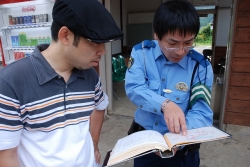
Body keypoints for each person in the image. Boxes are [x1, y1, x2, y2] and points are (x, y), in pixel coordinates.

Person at [0, 0, 123, 166]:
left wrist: (93, 143)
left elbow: (100, 106)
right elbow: (7, 155)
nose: (102, 51)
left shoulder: (89, 74)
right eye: (95, 42)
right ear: (65, 35)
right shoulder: (12, 82)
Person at [125, 0, 213, 167]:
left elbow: (201, 112)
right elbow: (135, 88)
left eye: (188, 43)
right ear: (157, 35)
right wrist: (165, 104)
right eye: (172, 43)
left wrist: (177, 140)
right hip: (146, 145)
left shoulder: (200, 66)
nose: (180, 51)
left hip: (183, 150)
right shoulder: (141, 54)